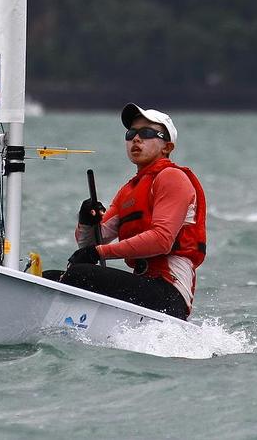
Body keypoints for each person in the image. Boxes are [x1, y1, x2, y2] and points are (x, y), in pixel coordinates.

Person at [52, 103, 206, 320]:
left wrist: (99, 253)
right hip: (144, 286)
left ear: (167, 147)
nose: (136, 139)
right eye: (131, 133)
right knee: (50, 276)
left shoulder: (172, 178)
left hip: (170, 294)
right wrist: (86, 220)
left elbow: (161, 240)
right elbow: (92, 243)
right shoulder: (129, 190)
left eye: (147, 133)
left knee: (79, 275)